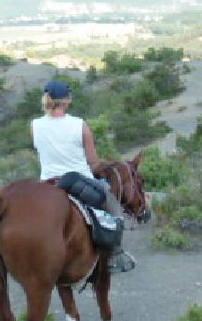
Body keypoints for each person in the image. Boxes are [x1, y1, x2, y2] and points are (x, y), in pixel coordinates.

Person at [31, 80, 136, 272]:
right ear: (67, 101)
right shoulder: (80, 125)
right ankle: (116, 254)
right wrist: (104, 164)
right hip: (78, 181)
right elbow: (93, 162)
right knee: (114, 208)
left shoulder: (35, 125)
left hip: (48, 183)